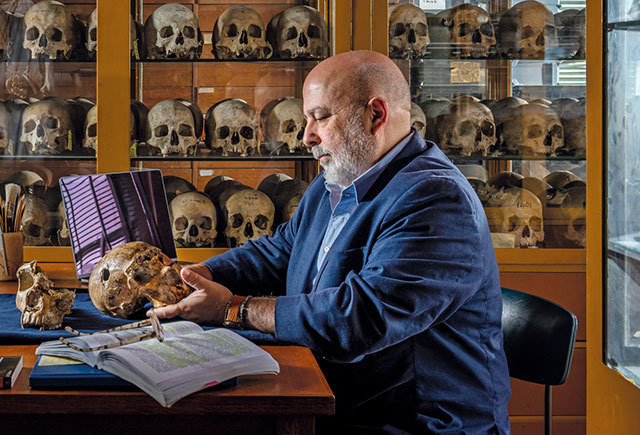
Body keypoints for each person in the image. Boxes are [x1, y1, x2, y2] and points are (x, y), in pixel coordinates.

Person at [152, 50, 511, 434]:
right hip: (334, 395)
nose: (306, 136)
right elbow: (280, 251)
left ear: (376, 115)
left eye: (320, 117)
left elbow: (360, 318)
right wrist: (192, 275)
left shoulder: (436, 200)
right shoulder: (336, 181)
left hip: (413, 423)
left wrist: (235, 309)